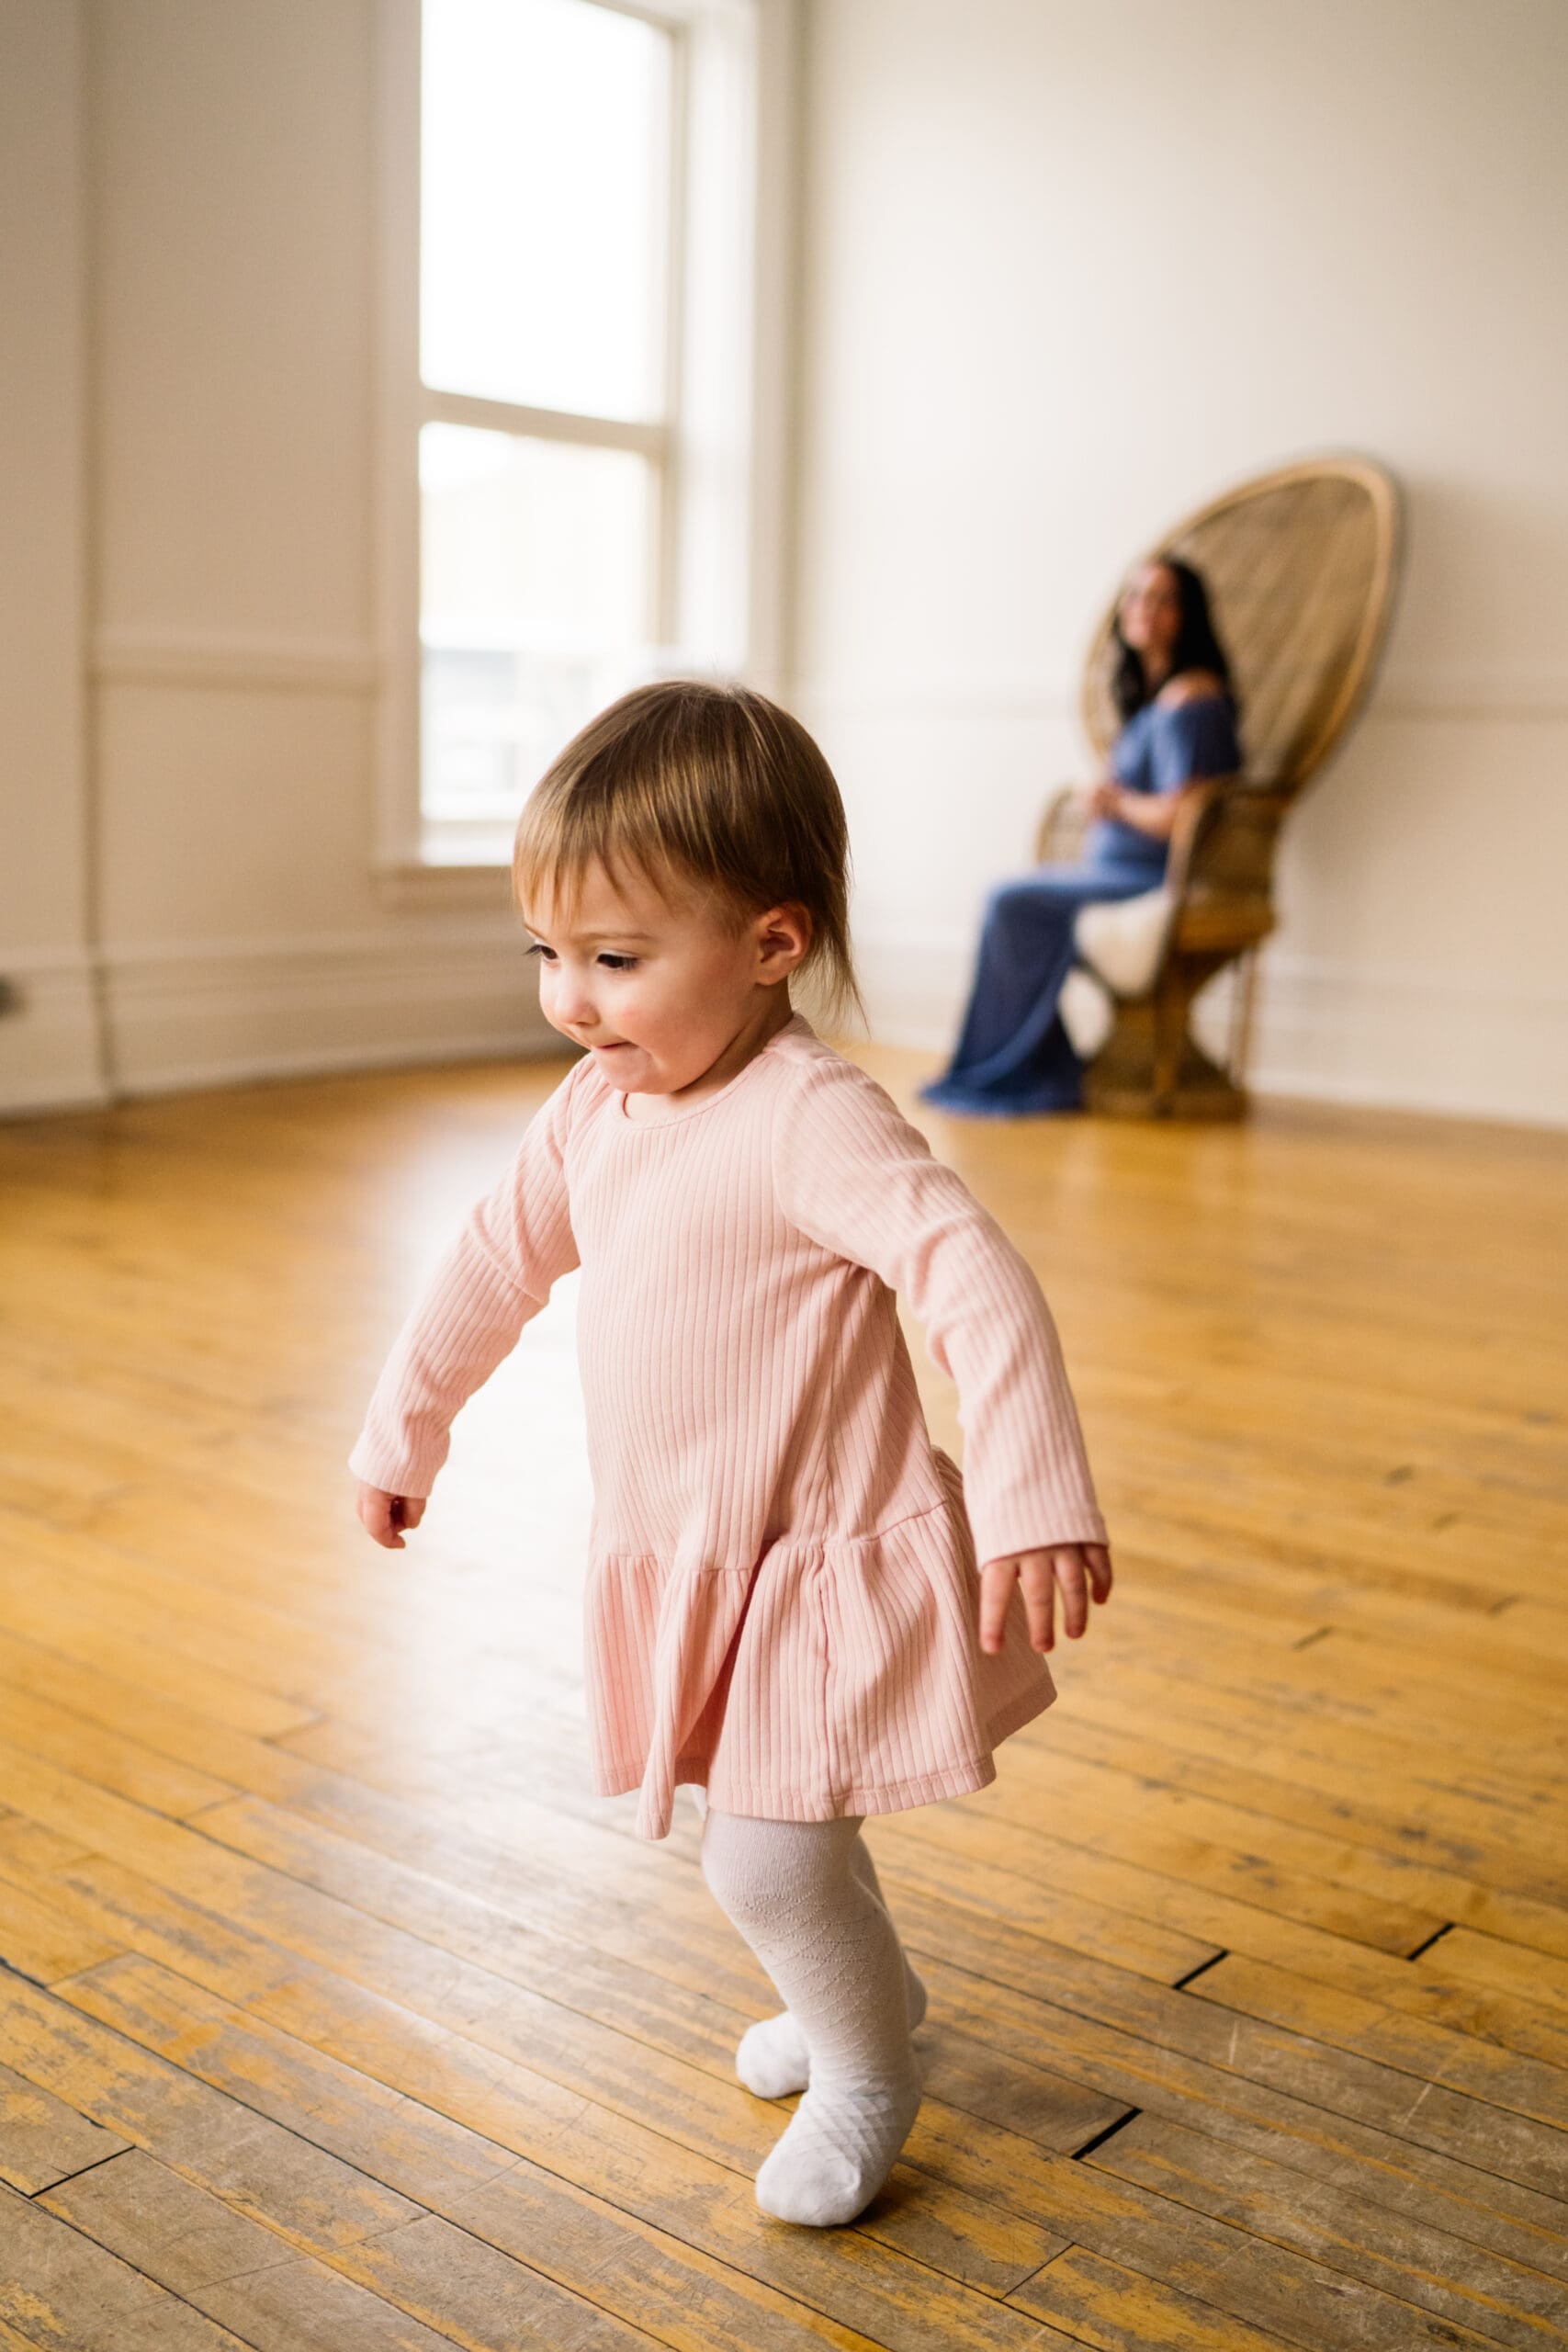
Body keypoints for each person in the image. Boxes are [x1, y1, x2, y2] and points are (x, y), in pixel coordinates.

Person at [349, 679, 1112, 2230]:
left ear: (771, 944)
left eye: (617, 961)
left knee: (761, 1857)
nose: (571, 997)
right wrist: (403, 1426)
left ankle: (867, 2074)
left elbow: (971, 1275)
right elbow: (492, 1260)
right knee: (769, 1821)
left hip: (817, 1555)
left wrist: (1031, 1489)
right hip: (690, 1541)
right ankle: (870, 1993)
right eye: (549, 954)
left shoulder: (805, 1116)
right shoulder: (596, 1105)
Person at [920, 557, 1242, 1115]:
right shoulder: (1153, 699)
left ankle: (1017, 1073)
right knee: (1016, 899)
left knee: (1009, 900)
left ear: (1187, 616)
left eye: (1163, 598)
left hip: (1146, 877)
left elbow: (1184, 813)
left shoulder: (1190, 700)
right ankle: (1033, 1068)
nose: (1145, 607)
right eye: (1136, 595)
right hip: (1110, 872)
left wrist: (1115, 802)